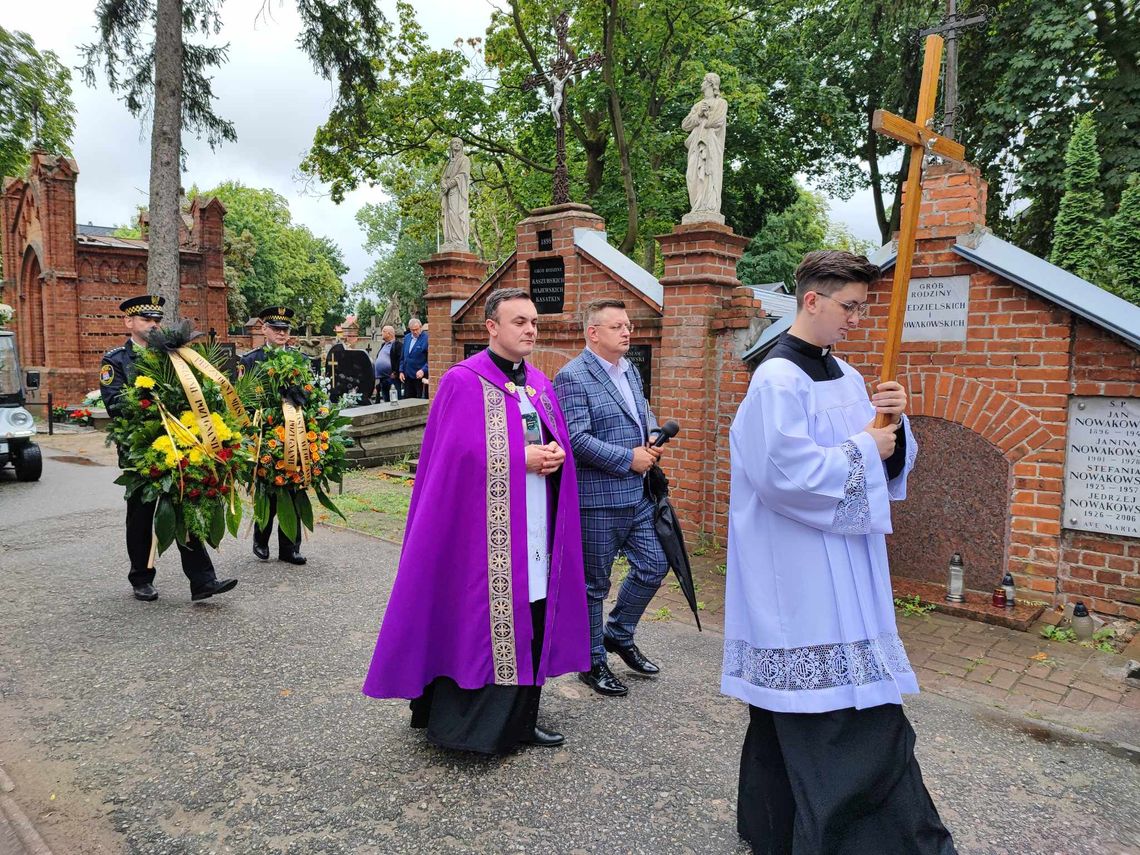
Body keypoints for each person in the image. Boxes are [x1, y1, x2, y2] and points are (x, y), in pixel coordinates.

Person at [723, 251, 955, 854]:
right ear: (811, 301)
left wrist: (895, 428)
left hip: (847, 565)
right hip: (797, 572)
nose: (856, 319)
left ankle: (777, 828)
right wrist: (864, 448)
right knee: (816, 713)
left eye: (862, 307)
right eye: (849, 307)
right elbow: (782, 474)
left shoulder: (849, 377)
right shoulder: (776, 379)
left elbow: (886, 461)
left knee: (809, 713)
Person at [362, 287, 588, 753]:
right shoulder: (464, 382)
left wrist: (552, 454)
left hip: (536, 525)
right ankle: (470, 727)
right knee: (481, 621)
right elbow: (451, 459)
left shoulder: (539, 384)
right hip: (480, 536)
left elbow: (554, 439)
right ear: (491, 328)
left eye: (533, 322)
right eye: (519, 321)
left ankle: (523, 718)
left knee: (534, 613)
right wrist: (515, 457)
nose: (530, 329)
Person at [553, 299, 670, 698]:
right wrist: (629, 459)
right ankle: (592, 661)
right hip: (598, 499)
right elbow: (576, 439)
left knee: (655, 565)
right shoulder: (573, 377)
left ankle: (618, 633)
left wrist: (652, 433)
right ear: (593, 333)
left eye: (628, 326)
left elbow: (643, 411)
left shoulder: (629, 368)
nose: (627, 332)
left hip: (636, 496)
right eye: (618, 326)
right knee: (594, 586)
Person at [100, 295, 238, 603]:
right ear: (129, 322)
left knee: (185, 506)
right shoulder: (116, 361)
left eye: (157, 321)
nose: (153, 325)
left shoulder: (171, 356)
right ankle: (141, 577)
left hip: (180, 444)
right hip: (141, 451)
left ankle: (203, 580)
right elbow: (114, 404)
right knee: (141, 514)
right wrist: (146, 401)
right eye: (146, 320)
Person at [238, 306, 307, 566]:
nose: (281, 333)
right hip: (265, 431)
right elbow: (242, 399)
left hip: (296, 433)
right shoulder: (251, 360)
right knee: (267, 487)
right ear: (264, 329)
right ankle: (261, 540)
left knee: (294, 487)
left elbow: (311, 392)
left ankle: (290, 547)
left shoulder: (299, 359)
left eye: (285, 329)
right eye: (276, 328)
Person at [400, 318, 429, 399]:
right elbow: (403, 357)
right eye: (412, 330)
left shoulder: (426, 339)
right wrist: (401, 371)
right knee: (408, 400)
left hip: (420, 377)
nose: (415, 332)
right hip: (407, 376)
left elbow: (430, 359)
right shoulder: (407, 338)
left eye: (416, 329)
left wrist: (423, 370)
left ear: (421, 327)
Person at [373, 325, 403, 402]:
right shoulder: (383, 345)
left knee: (394, 399)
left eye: (383, 331)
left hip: (392, 378)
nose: (381, 333)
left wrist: (395, 372)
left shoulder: (397, 345)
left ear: (389, 334)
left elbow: (400, 359)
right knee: (386, 400)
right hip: (383, 378)